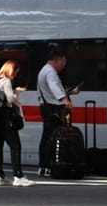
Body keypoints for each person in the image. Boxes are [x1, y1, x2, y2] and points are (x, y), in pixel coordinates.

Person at [34, 48, 80, 176]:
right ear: (56, 60)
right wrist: (65, 100)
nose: (63, 66)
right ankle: (48, 166)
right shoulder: (50, 72)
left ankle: (43, 166)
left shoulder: (45, 71)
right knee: (51, 138)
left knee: (47, 137)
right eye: (62, 63)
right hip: (53, 109)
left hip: (48, 107)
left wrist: (70, 92)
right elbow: (54, 87)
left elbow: (52, 89)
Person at [0, 60, 31, 187]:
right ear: (11, 70)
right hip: (6, 118)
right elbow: (10, 99)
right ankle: (18, 176)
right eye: (16, 72)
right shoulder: (7, 81)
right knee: (15, 145)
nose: (15, 75)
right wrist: (17, 93)